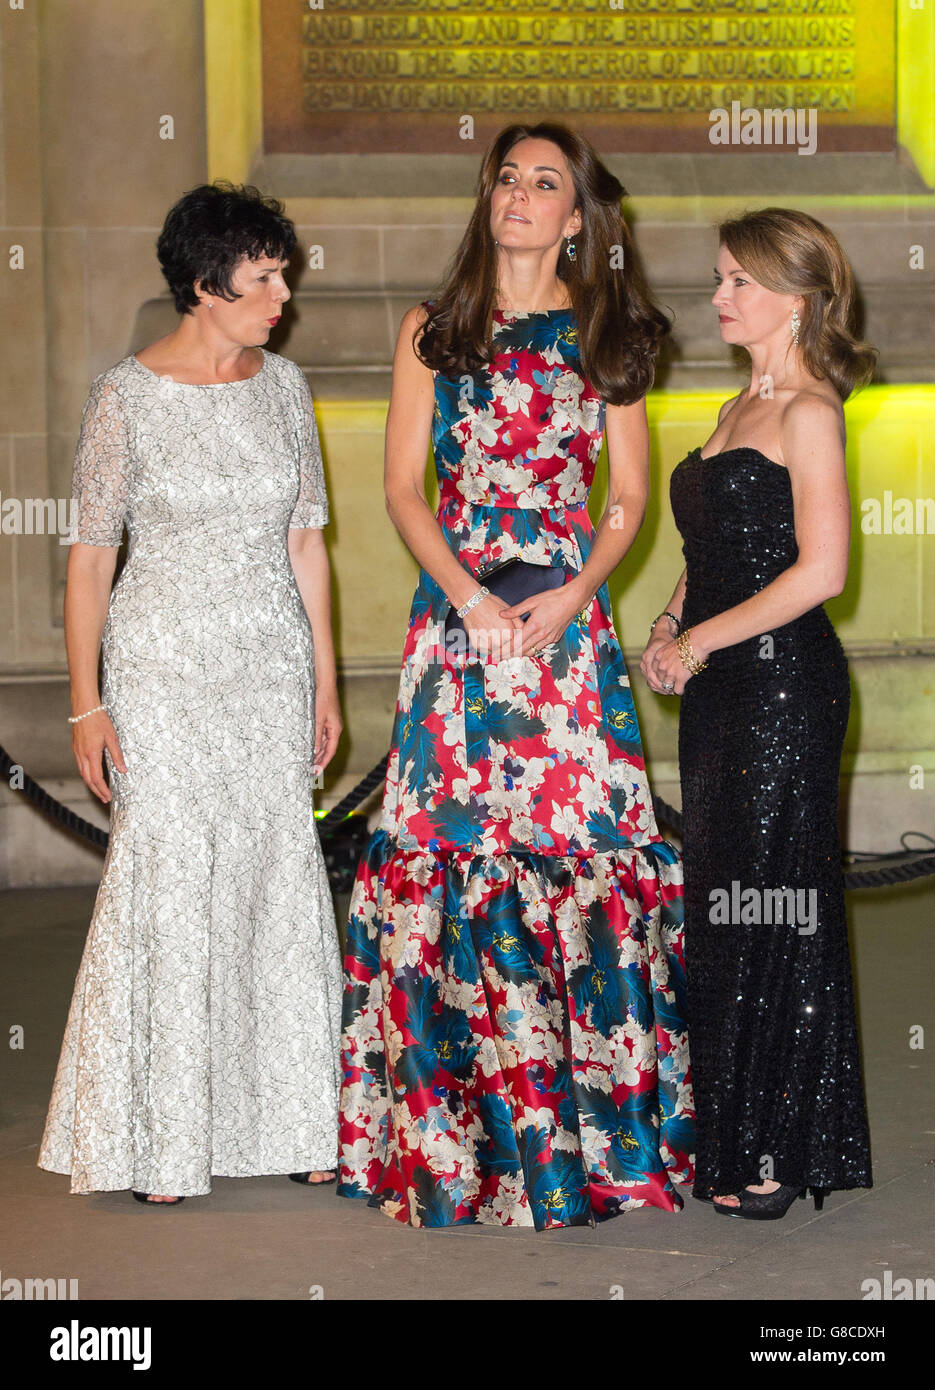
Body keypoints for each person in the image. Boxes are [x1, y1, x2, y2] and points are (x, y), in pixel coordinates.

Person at [337, 123, 694, 1231]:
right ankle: (457, 1156)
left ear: (578, 214)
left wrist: (576, 594)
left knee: (576, 861)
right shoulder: (431, 329)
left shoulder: (609, 334)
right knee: (453, 857)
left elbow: (626, 496)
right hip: (459, 623)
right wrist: (470, 598)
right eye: (506, 178)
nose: (519, 197)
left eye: (544, 184)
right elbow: (404, 487)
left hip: (566, 632)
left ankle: (599, 1148)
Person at [38, 182, 343, 1203]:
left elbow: (306, 540)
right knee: (168, 872)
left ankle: (297, 1115)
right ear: (207, 285)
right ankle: (163, 1136)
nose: (282, 294)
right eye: (263, 277)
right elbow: (89, 556)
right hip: (160, 665)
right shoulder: (125, 395)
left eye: (280, 273)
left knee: (272, 868)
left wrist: (325, 681)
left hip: (266, 664)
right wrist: (87, 704)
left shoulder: (287, 387)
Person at [640, 207, 875, 1219]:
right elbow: (713, 560)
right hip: (726, 689)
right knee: (725, 902)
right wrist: (666, 622)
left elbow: (820, 571)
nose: (717, 296)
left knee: (774, 903)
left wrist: (700, 641)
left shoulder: (809, 411)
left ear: (795, 297)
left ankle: (775, 1149)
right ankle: (738, 1134)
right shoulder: (734, 407)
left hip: (785, 689)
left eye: (736, 281)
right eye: (719, 278)